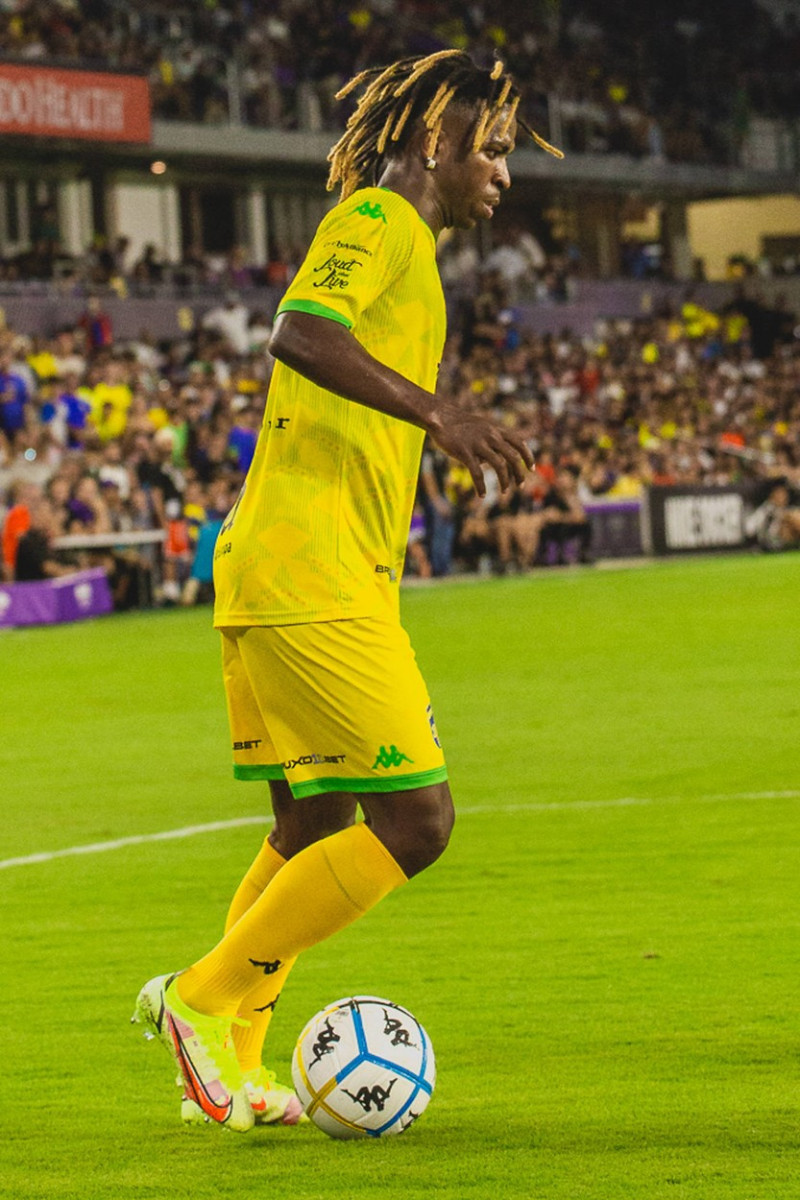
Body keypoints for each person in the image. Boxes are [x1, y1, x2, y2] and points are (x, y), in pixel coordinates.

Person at [133, 49, 562, 1133]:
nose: (503, 173)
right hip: (311, 572)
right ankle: (200, 996)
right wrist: (436, 412)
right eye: (494, 148)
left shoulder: (404, 242)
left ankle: (226, 1066)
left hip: (292, 564)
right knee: (415, 821)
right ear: (436, 141)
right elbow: (301, 332)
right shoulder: (379, 220)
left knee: (315, 820)